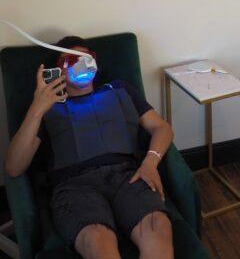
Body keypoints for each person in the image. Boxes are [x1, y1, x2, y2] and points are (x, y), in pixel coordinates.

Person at [4, 36, 175, 259]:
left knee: (157, 226)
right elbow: (14, 167)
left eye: (87, 58)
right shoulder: (47, 109)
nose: (81, 64)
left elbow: (162, 128)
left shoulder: (120, 90)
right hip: (74, 186)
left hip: (127, 175)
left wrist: (151, 161)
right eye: (72, 60)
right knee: (97, 240)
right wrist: (37, 109)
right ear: (58, 71)